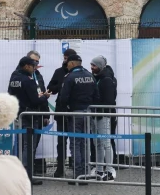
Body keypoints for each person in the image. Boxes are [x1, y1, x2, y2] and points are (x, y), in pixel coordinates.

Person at [56, 52, 97, 181]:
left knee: (75, 143)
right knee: (85, 143)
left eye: (67, 63)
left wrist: (67, 108)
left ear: (72, 63)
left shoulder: (70, 77)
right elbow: (97, 96)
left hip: (74, 113)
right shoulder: (90, 76)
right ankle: (85, 172)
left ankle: (78, 174)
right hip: (88, 113)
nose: (66, 66)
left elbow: (63, 98)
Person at [7, 56, 49, 179]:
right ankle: (26, 175)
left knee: (19, 145)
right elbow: (35, 100)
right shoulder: (27, 80)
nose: (34, 68)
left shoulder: (14, 77)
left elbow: (10, 94)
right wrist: (44, 96)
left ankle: (16, 171)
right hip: (30, 116)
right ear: (26, 66)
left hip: (18, 114)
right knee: (29, 146)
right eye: (32, 66)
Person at [45, 50, 74, 177]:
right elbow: (50, 87)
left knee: (76, 141)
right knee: (61, 141)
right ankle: (60, 167)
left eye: (67, 58)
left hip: (74, 111)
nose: (65, 60)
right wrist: (61, 86)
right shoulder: (59, 72)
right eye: (64, 57)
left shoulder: (78, 72)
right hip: (61, 110)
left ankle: (76, 166)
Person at [90, 56, 118, 180]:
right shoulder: (97, 78)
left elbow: (109, 100)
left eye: (94, 65)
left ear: (100, 66)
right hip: (97, 114)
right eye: (91, 65)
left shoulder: (106, 79)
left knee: (106, 143)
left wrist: (101, 111)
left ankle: (109, 169)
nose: (92, 67)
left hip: (104, 115)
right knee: (98, 144)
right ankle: (100, 169)